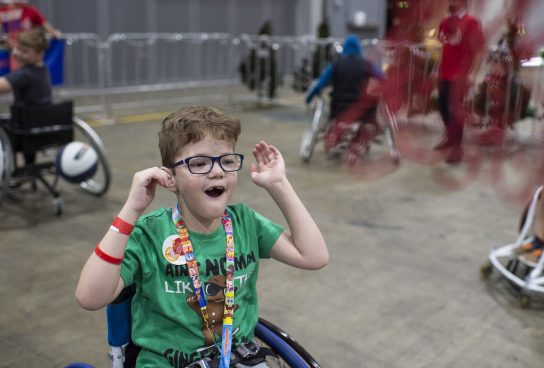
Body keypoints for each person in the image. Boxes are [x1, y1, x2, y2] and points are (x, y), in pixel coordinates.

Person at [75, 106, 329, 367]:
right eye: (199, 163)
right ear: (170, 177)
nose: (217, 171)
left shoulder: (246, 223)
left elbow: (314, 256)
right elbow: (89, 297)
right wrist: (131, 209)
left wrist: (278, 184)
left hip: (239, 358)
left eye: (227, 161)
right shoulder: (150, 233)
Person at [305, 34, 386, 164]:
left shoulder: (336, 65)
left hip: (338, 110)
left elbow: (320, 85)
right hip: (362, 112)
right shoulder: (368, 65)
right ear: (359, 48)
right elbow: (383, 80)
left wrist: (308, 98)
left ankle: (336, 138)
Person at [434, 0, 485, 163]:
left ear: (463, 1)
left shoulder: (471, 22)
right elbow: (443, 47)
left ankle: (457, 147)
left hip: (461, 75)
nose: (451, 3)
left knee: (456, 110)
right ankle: (450, 137)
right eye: (449, 0)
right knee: (442, 106)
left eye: (454, 0)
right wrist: (437, 69)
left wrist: (473, 73)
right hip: (444, 73)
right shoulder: (444, 22)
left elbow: (479, 51)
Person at [0, 28, 52, 165]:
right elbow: (24, 56)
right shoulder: (42, 69)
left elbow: (2, 86)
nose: (20, 54)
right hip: (40, 125)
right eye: (19, 49)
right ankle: (30, 166)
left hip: (22, 131)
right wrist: (13, 49)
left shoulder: (24, 74)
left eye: (24, 51)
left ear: (39, 53)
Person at [0, 0, 61, 70]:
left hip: (27, 52)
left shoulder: (32, 11)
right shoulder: (3, 11)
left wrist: (54, 32)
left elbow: (45, 25)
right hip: (9, 53)